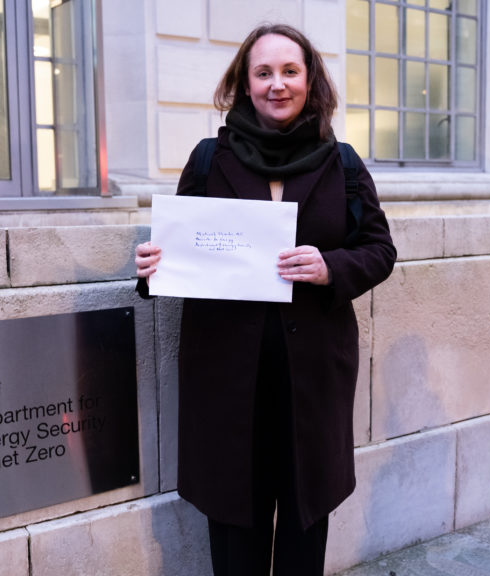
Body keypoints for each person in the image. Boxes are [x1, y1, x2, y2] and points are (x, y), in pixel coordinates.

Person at [135, 23, 396, 576]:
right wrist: (153, 267)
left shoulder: (342, 162)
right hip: (228, 384)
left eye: (289, 71)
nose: (277, 84)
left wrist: (332, 266)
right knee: (235, 526)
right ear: (245, 84)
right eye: (263, 73)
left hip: (312, 382)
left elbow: (379, 249)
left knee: (305, 522)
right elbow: (179, 252)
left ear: (310, 81)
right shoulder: (209, 159)